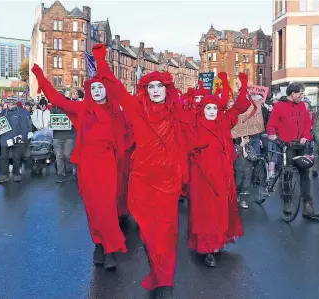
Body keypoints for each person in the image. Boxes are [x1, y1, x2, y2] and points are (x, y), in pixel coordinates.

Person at [92, 43, 191, 299]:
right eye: (151, 86)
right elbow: (113, 86)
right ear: (145, 90)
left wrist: (184, 175)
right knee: (149, 235)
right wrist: (101, 59)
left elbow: (189, 138)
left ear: (166, 89)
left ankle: (165, 283)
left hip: (168, 183)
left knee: (167, 234)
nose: (155, 90)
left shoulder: (177, 113)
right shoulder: (136, 109)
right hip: (143, 183)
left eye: (160, 86)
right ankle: (157, 272)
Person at [31, 52, 127, 270]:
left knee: (107, 208)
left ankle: (111, 248)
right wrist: (41, 76)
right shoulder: (83, 109)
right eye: (93, 88)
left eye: (100, 87)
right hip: (87, 166)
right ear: (89, 92)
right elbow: (57, 99)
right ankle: (99, 244)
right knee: (93, 208)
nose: (97, 91)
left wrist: (102, 61)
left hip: (107, 165)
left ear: (106, 90)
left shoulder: (115, 111)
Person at [187, 72, 249, 269]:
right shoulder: (193, 123)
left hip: (222, 175)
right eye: (208, 107)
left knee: (219, 211)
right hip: (201, 176)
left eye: (214, 108)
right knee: (204, 213)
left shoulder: (223, 121)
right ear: (202, 109)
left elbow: (239, 107)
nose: (212, 111)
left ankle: (215, 245)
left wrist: (244, 85)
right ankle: (206, 250)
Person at [266, 82, 319, 218]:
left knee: (305, 173)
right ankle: (287, 202)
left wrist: (306, 137)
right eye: (300, 94)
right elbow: (271, 124)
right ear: (293, 94)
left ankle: (308, 206)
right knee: (288, 174)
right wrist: (272, 134)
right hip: (287, 145)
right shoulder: (279, 106)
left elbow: (308, 124)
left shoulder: (302, 106)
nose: (302, 96)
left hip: (301, 145)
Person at [0, 99, 30, 184]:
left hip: (16, 139)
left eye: (12, 104)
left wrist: (23, 137)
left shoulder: (21, 112)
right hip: (5, 138)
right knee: (3, 158)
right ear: (6, 104)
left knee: (16, 157)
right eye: (8, 104)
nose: (10, 105)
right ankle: (4, 175)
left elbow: (24, 126)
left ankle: (16, 174)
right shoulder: (4, 112)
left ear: (15, 104)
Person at [51, 99, 76, 183]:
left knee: (67, 155)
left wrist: (74, 122)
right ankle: (61, 174)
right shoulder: (54, 108)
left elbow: (77, 119)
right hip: (57, 135)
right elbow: (52, 119)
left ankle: (68, 168)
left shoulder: (71, 107)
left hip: (69, 135)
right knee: (58, 155)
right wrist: (50, 123)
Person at [234, 135, 257, 209]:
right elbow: (233, 155)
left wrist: (248, 156)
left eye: (248, 138)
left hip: (248, 170)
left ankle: (243, 200)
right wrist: (240, 147)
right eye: (245, 138)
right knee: (237, 183)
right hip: (238, 169)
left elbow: (254, 157)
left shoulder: (250, 147)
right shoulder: (236, 146)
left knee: (246, 185)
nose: (247, 140)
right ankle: (236, 194)